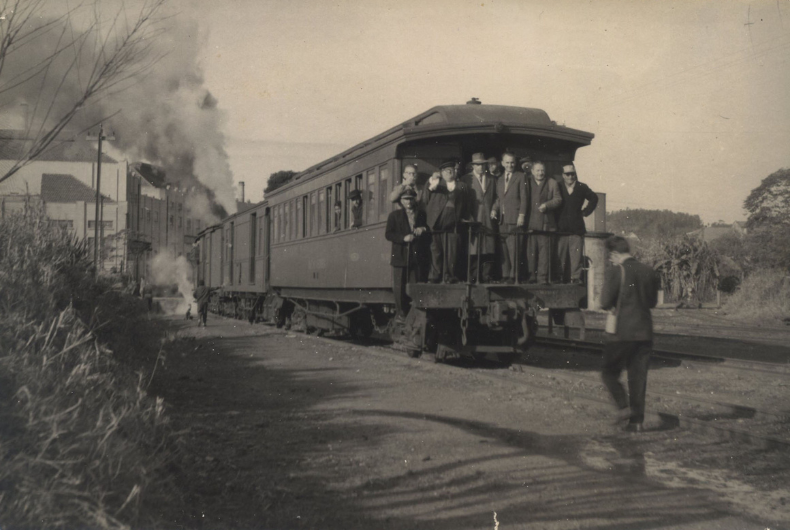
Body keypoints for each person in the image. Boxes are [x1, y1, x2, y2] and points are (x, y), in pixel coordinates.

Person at [600, 236, 661, 433]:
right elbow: (652, 303)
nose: (611, 260)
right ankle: (637, 423)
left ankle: (623, 407)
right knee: (638, 379)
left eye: (611, 257)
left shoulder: (615, 271)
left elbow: (604, 302)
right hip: (644, 333)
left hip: (621, 333)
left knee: (609, 373)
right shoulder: (649, 271)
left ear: (615, 254)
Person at [385, 188, 429, 318]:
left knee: (414, 286)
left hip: (415, 257)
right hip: (400, 256)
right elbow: (388, 234)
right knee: (399, 288)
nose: (408, 202)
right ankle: (401, 314)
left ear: (414, 200)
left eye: (410, 199)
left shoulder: (421, 214)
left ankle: (413, 314)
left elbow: (427, 228)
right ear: (401, 201)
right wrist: (403, 238)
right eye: (405, 199)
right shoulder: (394, 215)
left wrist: (423, 228)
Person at [424, 160, 470, 283]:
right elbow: (426, 196)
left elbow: (466, 204)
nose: (451, 173)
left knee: (452, 253)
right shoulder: (436, 184)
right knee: (436, 252)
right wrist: (432, 180)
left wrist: (462, 218)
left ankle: (449, 276)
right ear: (442, 173)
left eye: (453, 170)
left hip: (453, 226)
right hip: (436, 225)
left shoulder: (462, 186)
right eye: (447, 171)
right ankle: (434, 277)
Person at [556, 163, 599, 284]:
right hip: (561, 229)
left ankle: (575, 278)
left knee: (576, 257)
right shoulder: (558, 186)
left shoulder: (582, 187)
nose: (570, 176)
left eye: (572, 174)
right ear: (562, 175)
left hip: (576, 229)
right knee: (560, 256)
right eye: (567, 174)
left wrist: (585, 212)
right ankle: (559, 278)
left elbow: (594, 198)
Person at [462, 152, 498, 282]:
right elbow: (463, 200)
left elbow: (497, 197)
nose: (481, 167)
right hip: (474, 218)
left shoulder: (492, 179)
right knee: (473, 248)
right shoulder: (466, 179)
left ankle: (486, 276)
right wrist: (468, 215)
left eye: (483, 164)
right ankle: (473, 276)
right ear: (473, 166)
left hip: (488, 218)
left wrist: (494, 208)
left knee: (488, 247)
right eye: (478, 165)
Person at [492, 152, 527, 283]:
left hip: (515, 219)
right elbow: (498, 198)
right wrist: (494, 209)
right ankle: (506, 275)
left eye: (512, 162)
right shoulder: (500, 179)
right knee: (504, 250)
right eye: (507, 162)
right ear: (502, 163)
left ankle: (514, 276)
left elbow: (524, 198)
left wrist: (521, 215)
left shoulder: (521, 176)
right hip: (502, 220)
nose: (510, 165)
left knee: (514, 250)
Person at [525, 161, 561, 284]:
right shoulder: (528, 182)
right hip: (531, 223)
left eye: (542, 170)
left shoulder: (552, 183)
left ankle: (542, 278)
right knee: (531, 252)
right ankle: (531, 276)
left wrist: (547, 205)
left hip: (546, 224)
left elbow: (558, 199)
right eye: (538, 170)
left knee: (544, 254)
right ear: (532, 171)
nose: (540, 173)